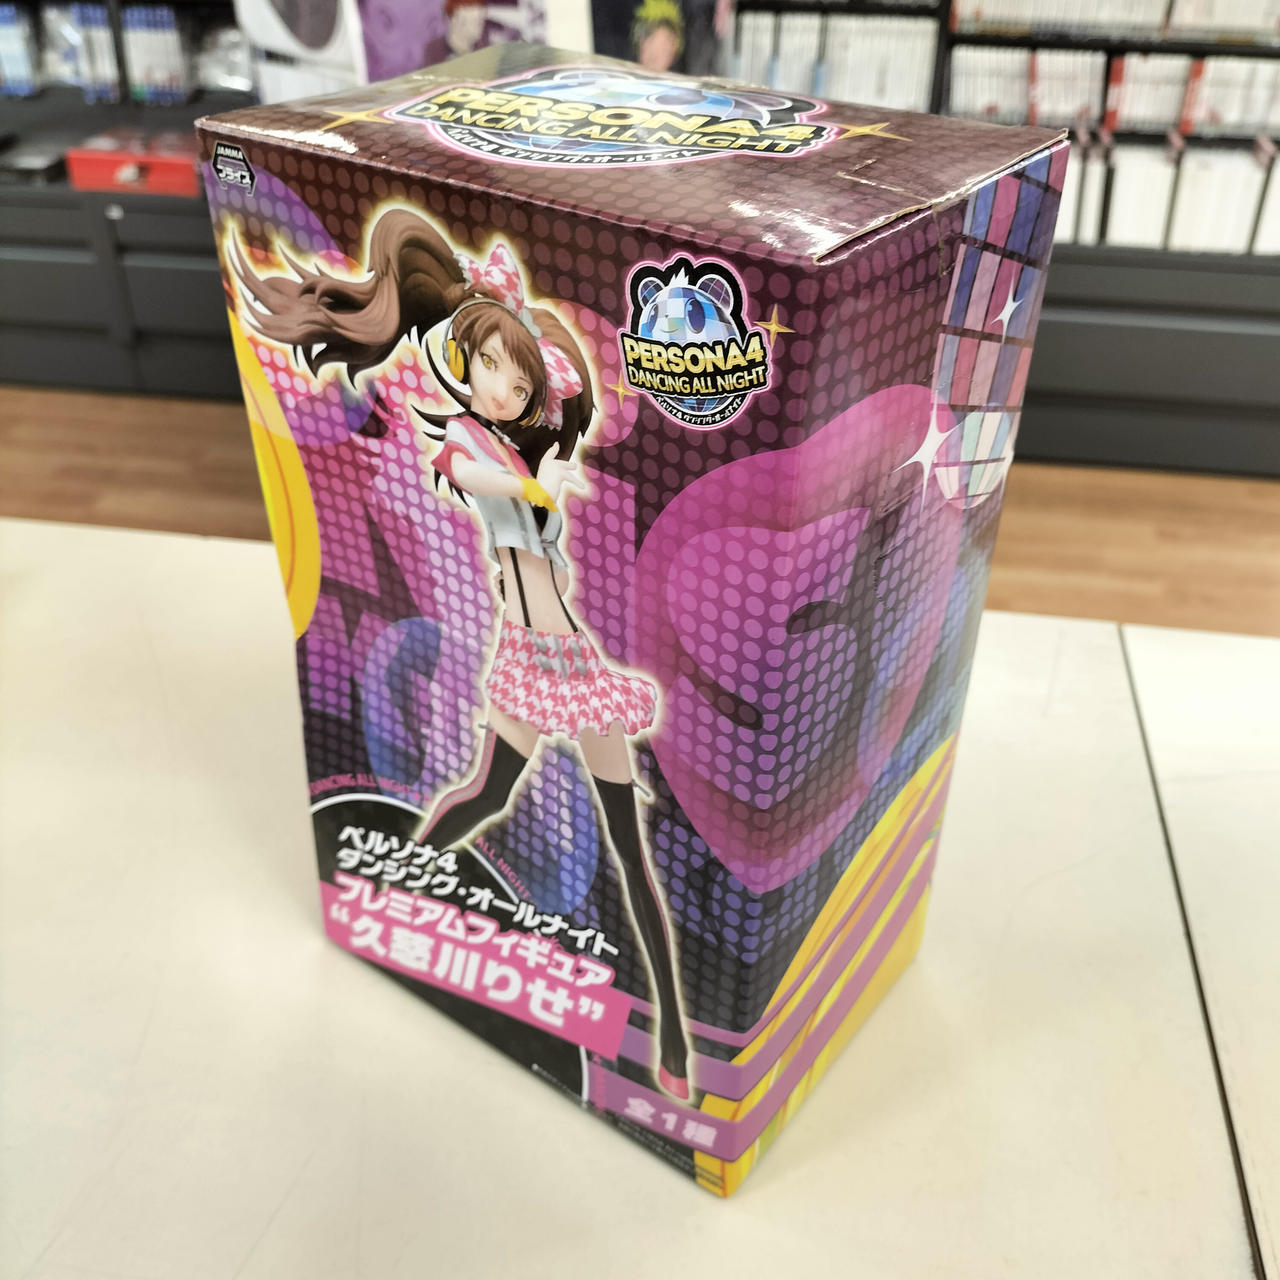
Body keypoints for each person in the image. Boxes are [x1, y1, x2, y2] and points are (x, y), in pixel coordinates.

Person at [231, 209, 692, 1099]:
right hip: (526, 656)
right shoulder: (466, 445)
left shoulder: (525, 445)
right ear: (463, 365)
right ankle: (399, 893)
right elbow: (498, 485)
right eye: (488, 368)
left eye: (518, 377)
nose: (502, 388)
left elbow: (541, 484)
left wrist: (548, 451)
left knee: (624, 842)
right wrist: (541, 475)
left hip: (572, 662)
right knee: (485, 793)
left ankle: (672, 1036)